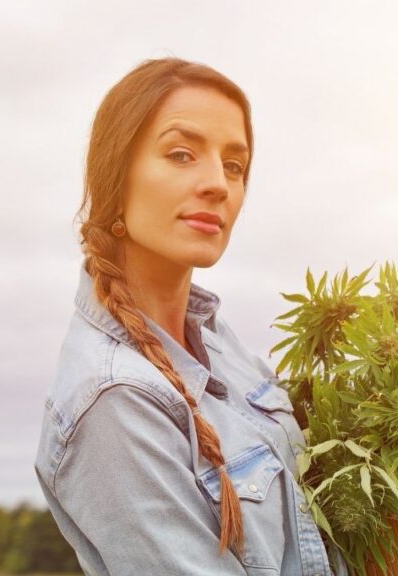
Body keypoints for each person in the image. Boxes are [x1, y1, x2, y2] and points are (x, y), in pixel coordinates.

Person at [33, 57, 348, 576]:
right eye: (181, 154)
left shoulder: (215, 339)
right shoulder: (115, 401)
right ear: (115, 174)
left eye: (234, 165)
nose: (218, 185)